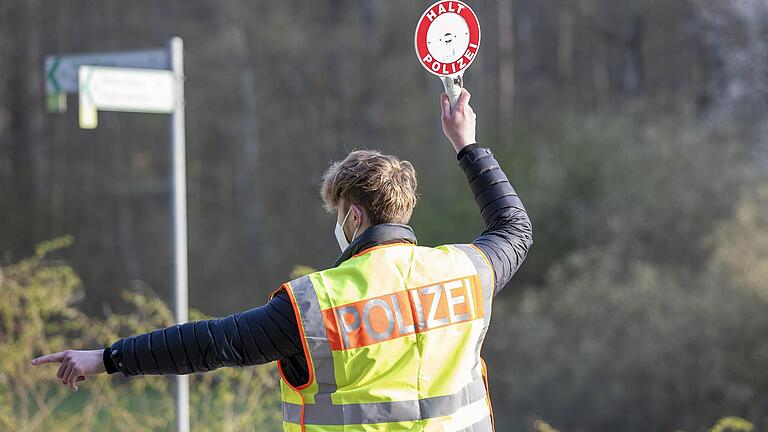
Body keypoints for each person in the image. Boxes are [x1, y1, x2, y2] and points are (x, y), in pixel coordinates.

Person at [31, 89, 532, 431]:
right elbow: (514, 228)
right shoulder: (467, 272)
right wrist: (466, 143)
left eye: (336, 212)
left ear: (353, 217)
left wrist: (106, 358)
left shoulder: (316, 307)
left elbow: (212, 344)